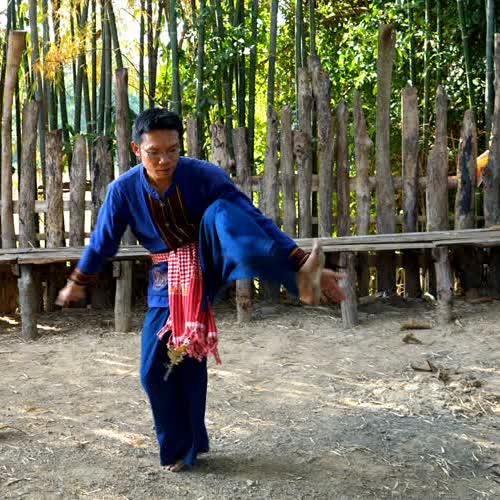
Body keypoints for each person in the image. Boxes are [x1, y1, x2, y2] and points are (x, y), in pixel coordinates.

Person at [56, 108, 345, 472]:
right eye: (154, 153)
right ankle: (183, 447)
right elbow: (102, 243)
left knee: (224, 210)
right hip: (167, 275)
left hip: (210, 259)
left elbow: (253, 219)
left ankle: (301, 278)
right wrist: (76, 283)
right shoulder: (122, 191)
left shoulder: (204, 175)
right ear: (136, 149)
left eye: (173, 151)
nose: (165, 160)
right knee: (159, 368)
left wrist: (298, 257)